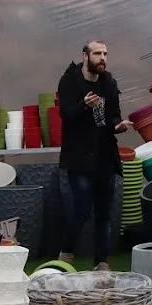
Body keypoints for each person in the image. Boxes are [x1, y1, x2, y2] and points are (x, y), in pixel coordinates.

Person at [57, 41, 132, 270]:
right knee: (81, 209)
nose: (103, 58)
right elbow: (65, 114)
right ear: (85, 56)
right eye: (97, 53)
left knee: (104, 213)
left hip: (105, 157)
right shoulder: (70, 81)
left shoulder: (108, 82)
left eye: (105, 54)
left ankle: (101, 261)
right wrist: (84, 105)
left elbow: (114, 115)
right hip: (79, 157)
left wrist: (118, 125)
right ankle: (66, 253)